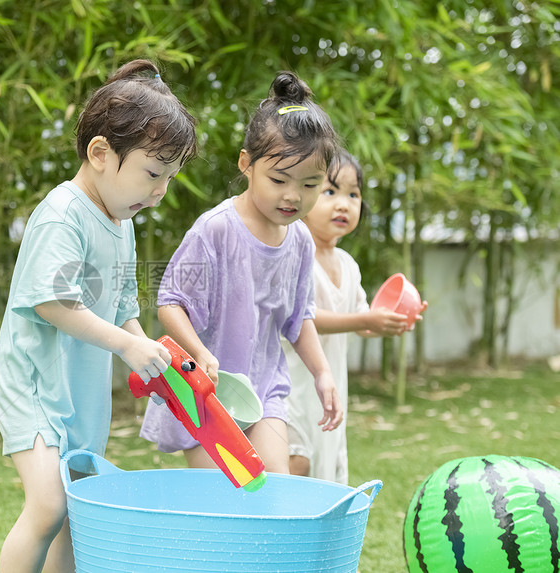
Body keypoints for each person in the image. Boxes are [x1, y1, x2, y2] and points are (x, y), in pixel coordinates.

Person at [0, 59, 197, 573]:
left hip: (81, 391)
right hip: (34, 383)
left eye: (169, 178)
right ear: (101, 153)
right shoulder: (63, 213)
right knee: (48, 505)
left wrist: (149, 349)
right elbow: (53, 302)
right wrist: (127, 346)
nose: (160, 193)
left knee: (80, 512)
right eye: (153, 173)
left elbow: (123, 307)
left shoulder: (120, 221)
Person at [139, 70, 343, 475]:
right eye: (279, 179)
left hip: (265, 387)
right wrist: (200, 354)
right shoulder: (216, 229)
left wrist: (323, 374)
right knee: (224, 496)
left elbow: (298, 318)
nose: (292, 195)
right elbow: (170, 303)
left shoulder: (301, 241)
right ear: (246, 164)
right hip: (205, 394)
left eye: (310, 185)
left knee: (271, 486)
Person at [285, 149, 427, 484]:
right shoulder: (292, 249)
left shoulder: (348, 263)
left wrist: (390, 320)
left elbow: (362, 318)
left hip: (329, 388)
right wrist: (365, 321)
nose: (344, 204)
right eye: (330, 191)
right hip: (292, 385)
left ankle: (315, 536)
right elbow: (301, 316)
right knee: (296, 461)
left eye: (353, 194)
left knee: (324, 469)